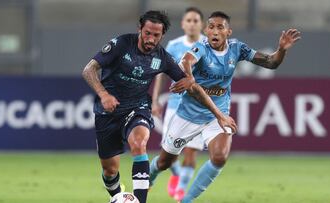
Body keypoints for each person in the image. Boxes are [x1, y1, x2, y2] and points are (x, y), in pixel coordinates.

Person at [82, 10, 236, 203]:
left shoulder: (163, 57)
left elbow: (193, 87)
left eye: (156, 35)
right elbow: (89, 69)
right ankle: (119, 196)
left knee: (139, 144)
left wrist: (218, 113)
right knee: (110, 171)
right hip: (108, 111)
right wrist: (103, 94)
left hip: (137, 108)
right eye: (147, 33)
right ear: (140, 29)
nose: (150, 39)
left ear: (162, 35)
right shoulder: (121, 44)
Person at [149, 11, 301, 203]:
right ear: (206, 30)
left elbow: (271, 63)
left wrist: (282, 49)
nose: (214, 31)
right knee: (164, 162)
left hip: (217, 116)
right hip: (189, 115)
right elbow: (187, 61)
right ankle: (150, 175)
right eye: (211, 26)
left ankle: (186, 200)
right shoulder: (201, 48)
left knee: (220, 157)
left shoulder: (237, 48)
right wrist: (188, 77)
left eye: (220, 27)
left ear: (228, 32)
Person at [151, 7, 206, 201]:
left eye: (195, 20)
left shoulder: (208, 46)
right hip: (175, 105)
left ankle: (180, 192)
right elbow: (161, 74)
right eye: (188, 20)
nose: (192, 23)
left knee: (191, 152)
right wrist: (155, 100)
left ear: (202, 24)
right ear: (183, 24)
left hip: (198, 106)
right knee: (170, 153)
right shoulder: (173, 46)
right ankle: (175, 175)